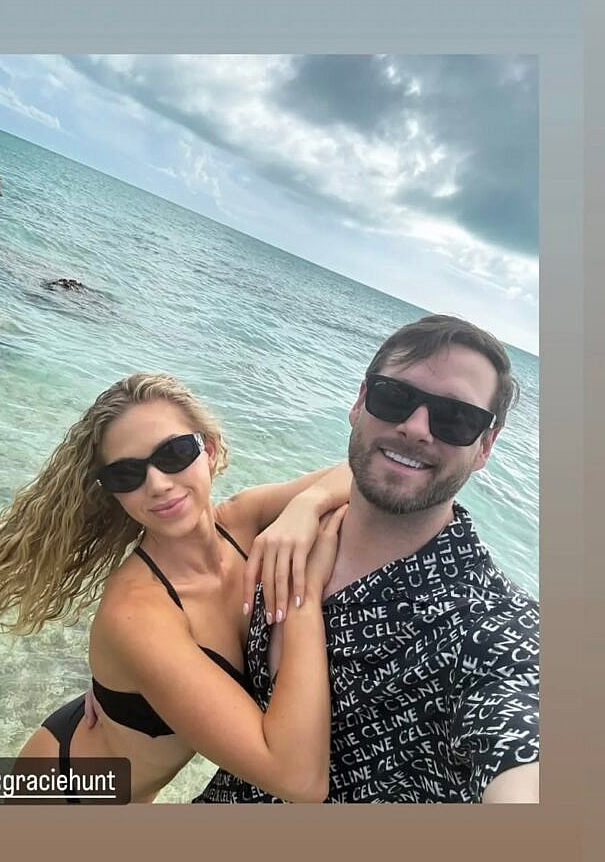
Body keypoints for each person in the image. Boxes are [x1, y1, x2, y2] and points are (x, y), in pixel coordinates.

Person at [196, 315, 540, 804]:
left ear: (485, 445)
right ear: (360, 402)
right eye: (394, 398)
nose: (416, 428)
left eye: (456, 419)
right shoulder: (287, 537)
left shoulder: (492, 630)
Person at [0, 372, 350, 803]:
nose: (156, 484)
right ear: (113, 493)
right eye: (126, 474)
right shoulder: (138, 612)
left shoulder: (246, 519)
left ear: (207, 450)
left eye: (174, 453)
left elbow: (371, 474)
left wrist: (308, 505)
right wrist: (303, 594)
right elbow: (297, 780)